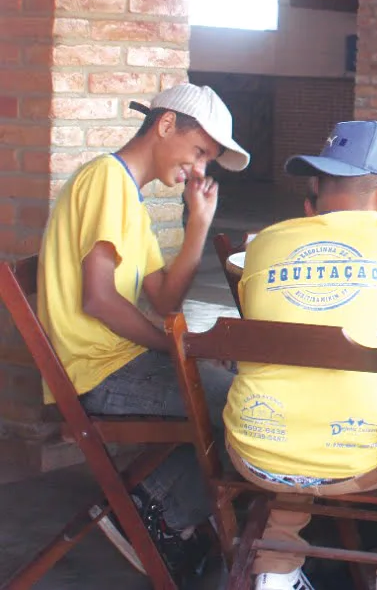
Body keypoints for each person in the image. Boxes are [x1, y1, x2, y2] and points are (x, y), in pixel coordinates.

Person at [226, 121, 377, 590]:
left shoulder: (262, 244)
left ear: (318, 186)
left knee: (299, 389)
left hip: (254, 450)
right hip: (364, 457)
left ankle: (275, 568)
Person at [38, 83, 249, 580]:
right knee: (249, 406)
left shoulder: (128, 196)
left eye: (207, 162)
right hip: (99, 372)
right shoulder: (107, 180)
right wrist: (176, 350)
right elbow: (99, 299)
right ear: (166, 124)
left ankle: (164, 513)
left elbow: (164, 299)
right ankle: (153, 512)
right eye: (199, 152)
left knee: (242, 396)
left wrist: (199, 225)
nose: (199, 170)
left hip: (116, 364)